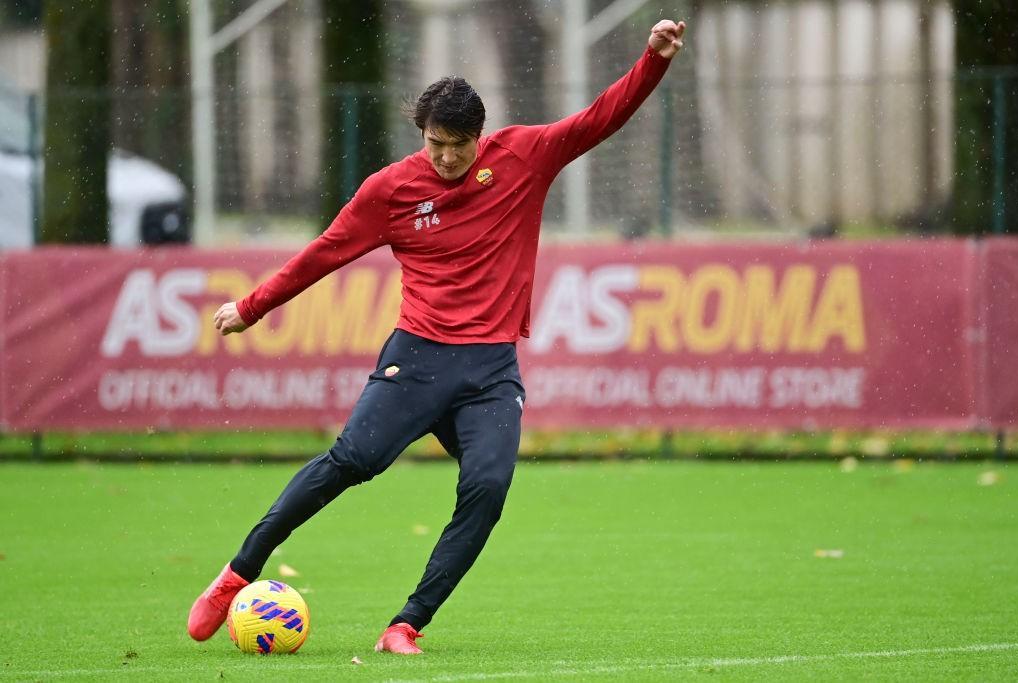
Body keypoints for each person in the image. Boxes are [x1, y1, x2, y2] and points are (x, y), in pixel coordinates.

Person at [187, 18, 687, 655]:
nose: (446, 157)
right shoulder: (391, 190)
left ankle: (406, 624)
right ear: (420, 134)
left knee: (487, 488)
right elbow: (323, 254)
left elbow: (599, 118)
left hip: (490, 373)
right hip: (417, 360)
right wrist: (252, 307)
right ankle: (236, 575)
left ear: (481, 135)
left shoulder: (525, 157)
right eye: (434, 143)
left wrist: (653, 60)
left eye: (459, 144)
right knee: (352, 463)